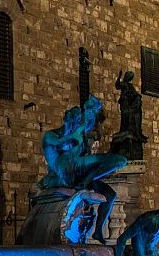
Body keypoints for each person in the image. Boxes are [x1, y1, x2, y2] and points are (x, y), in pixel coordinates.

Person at [39, 95, 127, 243]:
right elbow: (63, 142)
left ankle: (98, 231)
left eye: (77, 119)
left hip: (79, 173)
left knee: (111, 194)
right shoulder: (51, 136)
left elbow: (85, 129)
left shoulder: (78, 134)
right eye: (73, 119)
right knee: (117, 161)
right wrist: (77, 133)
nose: (75, 123)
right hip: (67, 172)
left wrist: (90, 114)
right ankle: (87, 180)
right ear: (66, 119)